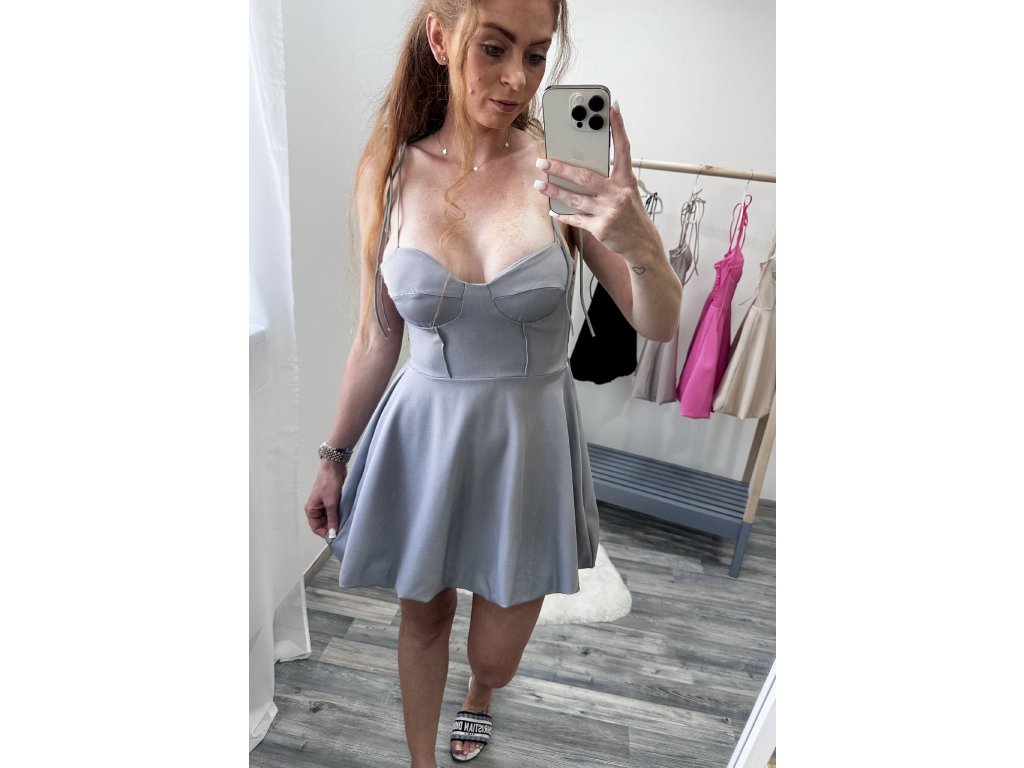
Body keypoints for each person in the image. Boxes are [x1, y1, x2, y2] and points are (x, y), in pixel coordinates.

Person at [303, 0, 682, 765]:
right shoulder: (390, 172)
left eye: (537, 55)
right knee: (423, 619)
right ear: (441, 38)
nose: (517, 78)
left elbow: (660, 323)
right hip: (425, 437)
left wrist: (639, 240)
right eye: (495, 49)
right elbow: (377, 337)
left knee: (495, 655)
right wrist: (334, 455)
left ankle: (481, 694)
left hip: (528, 442)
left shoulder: (562, 170)